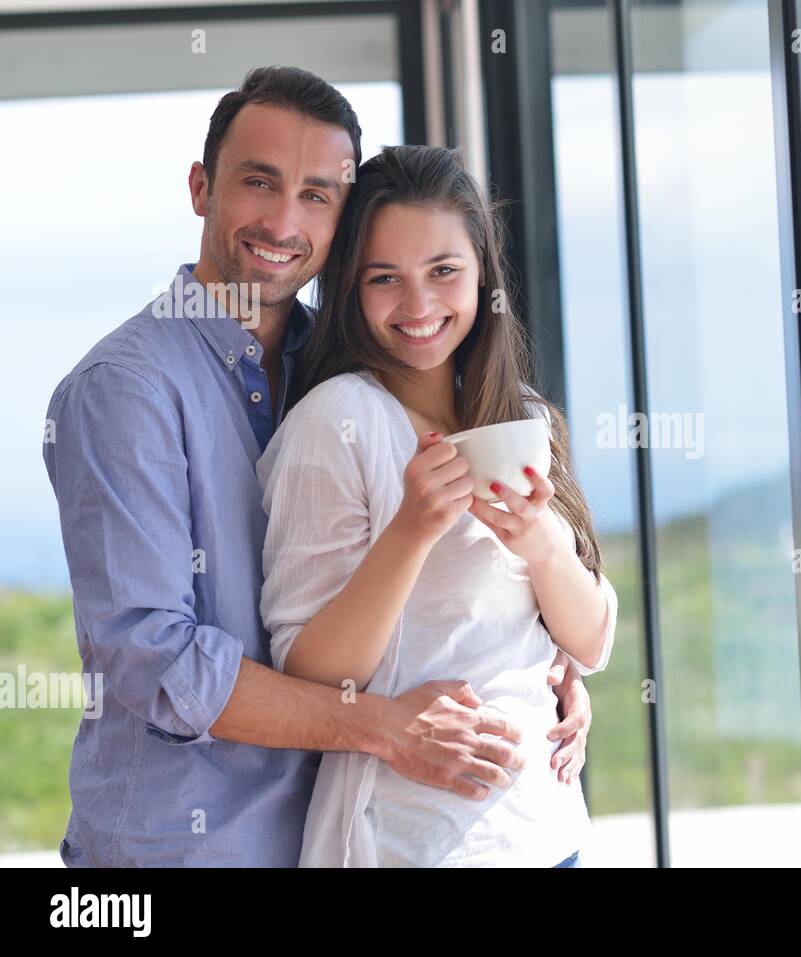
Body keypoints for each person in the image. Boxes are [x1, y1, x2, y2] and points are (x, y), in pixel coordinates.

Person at [41, 66, 592, 867]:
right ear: (201, 188)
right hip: (177, 851)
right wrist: (383, 725)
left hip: (333, 836)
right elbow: (155, 661)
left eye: (317, 195)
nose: (283, 219)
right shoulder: (124, 391)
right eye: (258, 182)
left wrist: (543, 663)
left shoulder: (337, 362)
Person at [259, 144, 617, 867]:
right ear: (351, 290)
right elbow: (311, 672)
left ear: (483, 273)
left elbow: (591, 643)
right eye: (384, 278)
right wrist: (413, 529)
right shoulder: (337, 422)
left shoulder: (526, 418)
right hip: (409, 841)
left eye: (444, 272)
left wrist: (544, 544)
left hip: (549, 832)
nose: (419, 306)